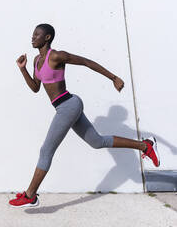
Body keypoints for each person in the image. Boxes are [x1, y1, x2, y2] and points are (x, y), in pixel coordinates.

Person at [9, 23, 160, 208]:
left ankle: (30, 195)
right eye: (32, 34)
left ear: (47, 37)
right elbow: (35, 87)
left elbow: (86, 62)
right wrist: (22, 68)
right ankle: (145, 145)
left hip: (68, 105)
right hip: (64, 107)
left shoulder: (56, 55)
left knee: (46, 150)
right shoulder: (35, 61)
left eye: (36, 35)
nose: (32, 37)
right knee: (97, 142)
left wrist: (113, 78)